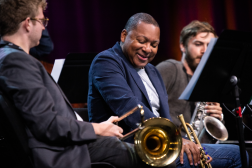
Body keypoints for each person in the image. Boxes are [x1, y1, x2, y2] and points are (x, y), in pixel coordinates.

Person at [0, 0, 170, 168]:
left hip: (75, 143)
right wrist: (97, 129)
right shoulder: (16, 61)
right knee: (159, 158)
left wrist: (97, 126)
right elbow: (47, 124)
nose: (44, 26)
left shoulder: (16, 58)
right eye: (42, 20)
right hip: (66, 151)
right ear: (28, 23)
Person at [88, 13, 243, 167]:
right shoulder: (107, 61)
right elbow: (130, 108)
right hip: (135, 149)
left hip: (164, 145)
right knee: (237, 156)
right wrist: (176, 140)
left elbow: (164, 117)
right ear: (124, 36)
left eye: (154, 45)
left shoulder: (152, 71)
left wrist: (191, 145)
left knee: (239, 152)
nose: (147, 49)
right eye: (142, 41)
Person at [156, 21, 224, 137]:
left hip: (199, 148)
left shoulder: (209, 81)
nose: (205, 50)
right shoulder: (171, 68)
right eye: (198, 44)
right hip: (172, 144)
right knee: (235, 153)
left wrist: (218, 117)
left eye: (209, 46)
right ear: (183, 46)